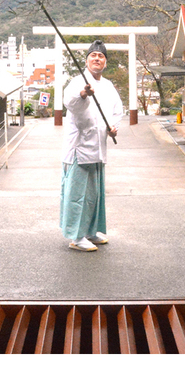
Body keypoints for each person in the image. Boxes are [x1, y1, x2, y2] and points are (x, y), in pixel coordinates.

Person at [59, 40, 123, 252]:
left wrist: (112, 128)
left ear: (105, 61)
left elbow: (116, 112)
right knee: (77, 194)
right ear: (86, 60)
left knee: (94, 193)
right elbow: (69, 102)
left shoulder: (109, 86)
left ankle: (89, 231)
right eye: (93, 55)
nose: (97, 58)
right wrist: (84, 94)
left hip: (98, 147)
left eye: (101, 56)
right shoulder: (78, 81)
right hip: (79, 147)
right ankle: (76, 236)